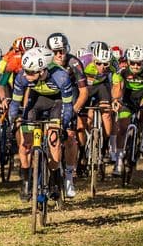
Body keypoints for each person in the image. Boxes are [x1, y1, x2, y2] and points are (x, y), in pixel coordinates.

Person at [8, 47, 74, 201]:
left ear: (42, 70)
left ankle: (54, 179)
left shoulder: (61, 77)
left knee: (54, 141)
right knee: (25, 144)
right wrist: (12, 121)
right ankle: (25, 181)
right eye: (25, 70)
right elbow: (15, 103)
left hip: (57, 103)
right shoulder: (22, 77)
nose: (25, 74)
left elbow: (68, 106)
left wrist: (63, 125)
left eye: (30, 72)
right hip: (36, 101)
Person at [46, 32, 87, 198]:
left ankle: (69, 176)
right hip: (50, 99)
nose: (59, 55)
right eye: (55, 52)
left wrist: (74, 111)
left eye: (62, 51)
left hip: (71, 99)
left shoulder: (74, 63)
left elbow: (84, 92)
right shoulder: (45, 62)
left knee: (70, 136)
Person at [111, 45, 143, 175]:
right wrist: (116, 100)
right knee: (122, 127)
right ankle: (119, 161)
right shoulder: (121, 68)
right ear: (127, 61)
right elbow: (117, 86)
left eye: (139, 63)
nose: (135, 66)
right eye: (132, 63)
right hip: (128, 95)